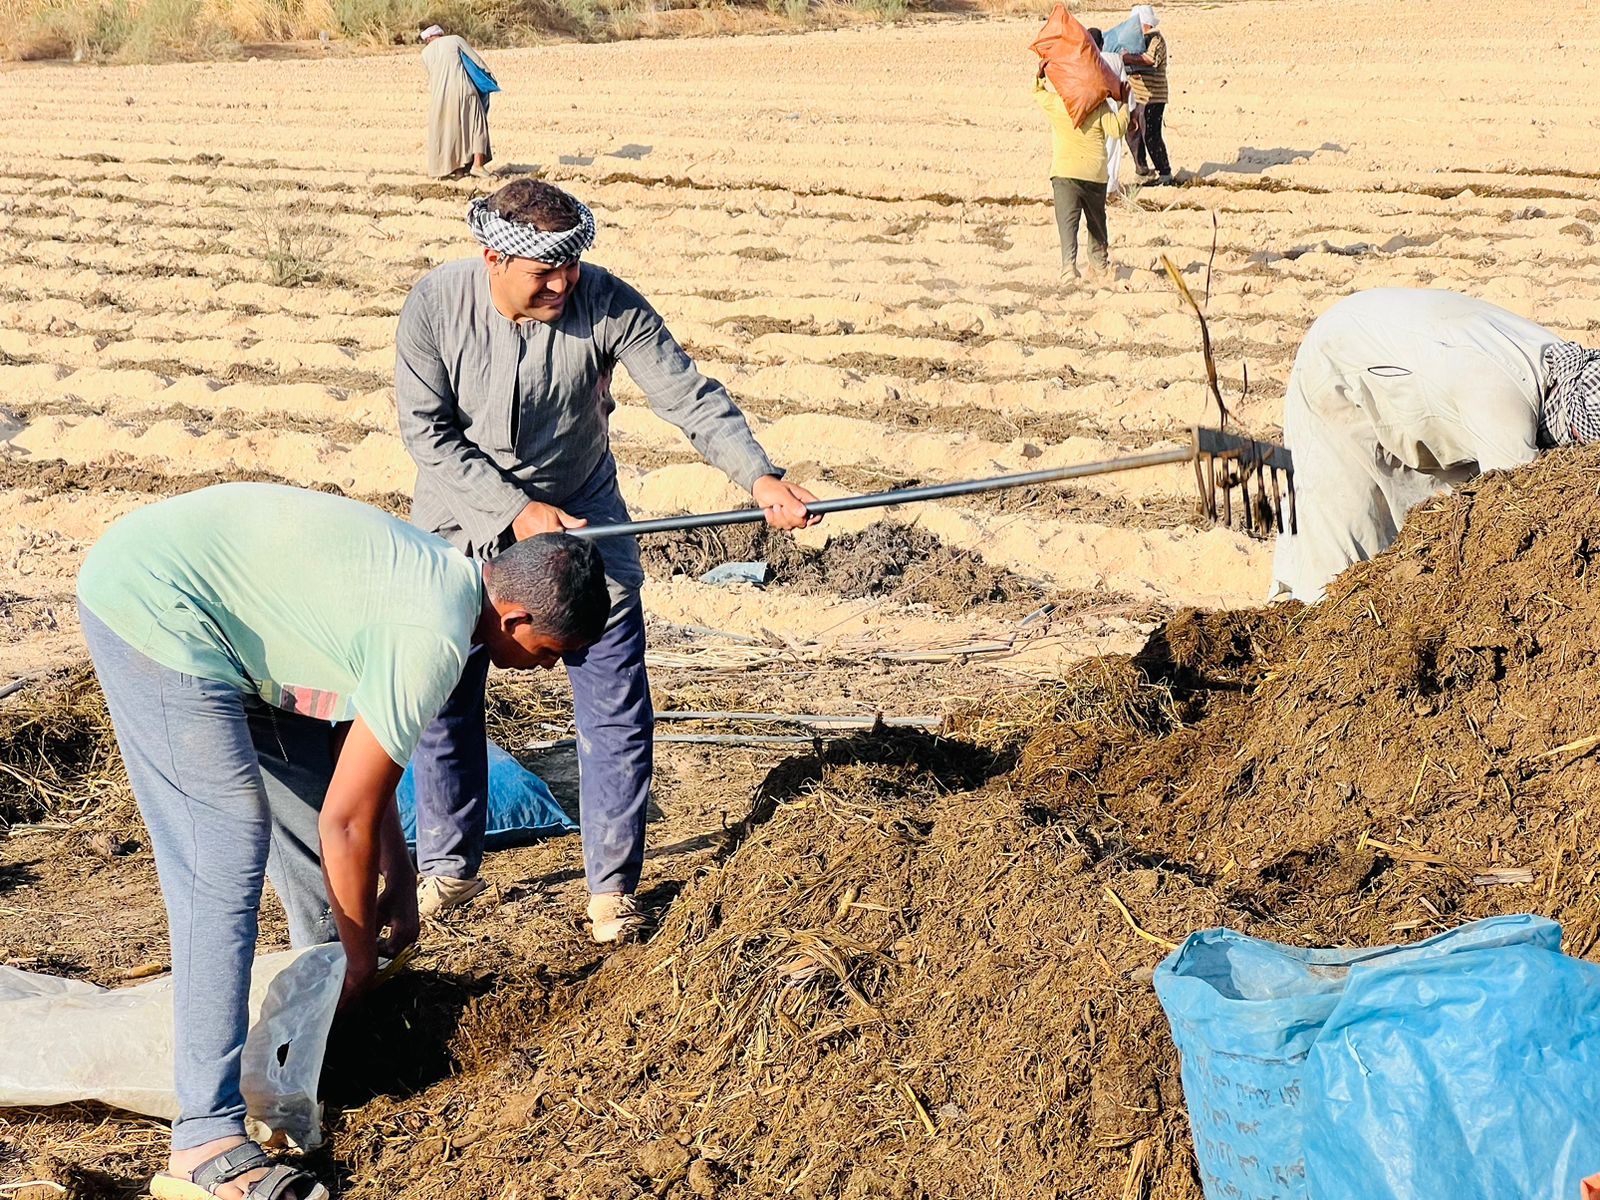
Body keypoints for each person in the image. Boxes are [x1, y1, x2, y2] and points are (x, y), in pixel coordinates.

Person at [76, 482, 609, 1200]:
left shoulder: (446, 578)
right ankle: (204, 1136)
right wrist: (362, 959)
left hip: (242, 630)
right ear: (514, 617)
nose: (548, 669)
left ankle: (303, 1055)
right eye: (551, 652)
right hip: (159, 602)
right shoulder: (434, 634)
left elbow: (355, 775)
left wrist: (399, 873)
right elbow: (346, 822)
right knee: (224, 854)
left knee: (316, 833)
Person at [394, 179, 819, 941]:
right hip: (460, 527)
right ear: (492, 259)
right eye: (542, 273)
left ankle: (612, 890)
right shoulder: (434, 306)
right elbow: (428, 436)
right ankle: (450, 869)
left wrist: (758, 475)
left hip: (585, 525)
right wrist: (513, 513)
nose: (563, 284)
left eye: (572, 267)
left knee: (616, 704)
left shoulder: (609, 303)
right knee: (443, 702)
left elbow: (688, 396)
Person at [1271, 288, 1600, 602]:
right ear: (1568, 417)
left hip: (1423, 365)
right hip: (1341, 360)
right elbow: (1513, 518)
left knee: (1433, 523)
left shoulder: (1565, 365)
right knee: (1342, 541)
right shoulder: (1500, 403)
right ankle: (1305, 623)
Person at [1033, 59, 1129, 281]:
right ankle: (1099, 267)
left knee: (1068, 222)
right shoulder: (1098, 105)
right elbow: (1117, 130)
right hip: (1094, 174)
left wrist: (1040, 75)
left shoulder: (1058, 103)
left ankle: (1068, 268)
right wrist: (1123, 104)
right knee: (1096, 221)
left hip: (1064, 172)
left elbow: (1037, 93)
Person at [420, 24, 493, 179]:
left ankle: (456, 169)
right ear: (440, 34)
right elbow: (477, 61)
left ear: (428, 39)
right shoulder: (454, 40)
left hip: (438, 97)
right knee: (477, 125)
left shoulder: (425, 53)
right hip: (463, 90)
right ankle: (477, 165)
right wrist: (489, 79)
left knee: (450, 131)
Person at [1122, 5, 1172, 184]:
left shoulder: (1156, 40)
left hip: (1154, 96)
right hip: (1135, 95)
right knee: (1132, 131)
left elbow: (1150, 60)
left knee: (1151, 134)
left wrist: (1126, 58)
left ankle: (1164, 172)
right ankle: (1142, 170)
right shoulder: (1130, 41)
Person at [1087, 26, 1131, 197]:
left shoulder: (1084, 60)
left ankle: (1094, 187)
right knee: (1112, 151)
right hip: (1112, 111)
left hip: (1090, 112)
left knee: (1095, 149)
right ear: (1103, 43)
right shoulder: (1114, 59)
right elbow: (1125, 87)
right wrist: (1129, 112)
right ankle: (1110, 189)